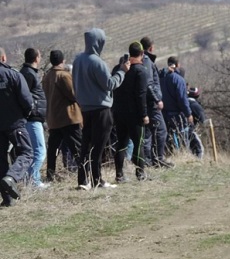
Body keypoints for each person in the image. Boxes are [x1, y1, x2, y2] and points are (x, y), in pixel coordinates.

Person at [72, 28, 129, 190]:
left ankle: (83, 181)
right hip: (101, 110)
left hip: (85, 109)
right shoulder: (97, 62)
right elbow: (110, 84)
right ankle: (97, 180)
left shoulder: (78, 60)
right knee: (99, 146)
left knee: (86, 146)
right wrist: (122, 72)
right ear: (99, 43)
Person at [0, 47, 34, 207]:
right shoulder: (13, 75)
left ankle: (7, 200)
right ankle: (11, 178)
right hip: (14, 123)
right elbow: (27, 100)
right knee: (27, 152)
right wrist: (24, 115)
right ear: (3, 58)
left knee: (1, 161)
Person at [42, 50, 83, 182]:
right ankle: (85, 172)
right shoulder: (64, 76)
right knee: (78, 147)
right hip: (68, 117)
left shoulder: (47, 76)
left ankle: (50, 174)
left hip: (53, 119)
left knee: (53, 149)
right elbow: (74, 94)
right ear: (62, 61)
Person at [112, 42, 150, 182]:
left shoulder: (119, 68)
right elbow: (141, 95)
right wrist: (144, 114)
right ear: (141, 54)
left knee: (121, 143)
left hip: (119, 112)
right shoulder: (141, 71)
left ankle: (119, 175)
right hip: (134, 115)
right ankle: (140, 173)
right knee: (138, 143)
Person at [139, 36, 172, 168]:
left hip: (146, 103)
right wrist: (157, 99)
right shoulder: (147, 61)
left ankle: (147, 160)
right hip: (152, 103)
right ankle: (158, 159)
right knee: (161, 131)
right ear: (151, 47)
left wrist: (164, 72)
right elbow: (148, 83)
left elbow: (153, 76)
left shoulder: (143, 60)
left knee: (147, 133)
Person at [19, 48, 48, 188]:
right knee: (40, 151)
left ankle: (30, 180)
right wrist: (31, 111)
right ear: (36, 58)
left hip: (32, 118)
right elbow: (25, 97)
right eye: (40, 55)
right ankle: (33, 182)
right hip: (32, 119)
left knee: (34, 151)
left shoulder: (27, 72)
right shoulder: (29, 74)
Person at [159, 56, 194, 154]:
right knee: (182, 136)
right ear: (177, 65)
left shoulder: (161, 78)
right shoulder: (179, 80)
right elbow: (182, 99)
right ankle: (183, 155)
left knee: (168, 138)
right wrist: (188, 114)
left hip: (164, 113)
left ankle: (169, 155)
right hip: (177, 114)